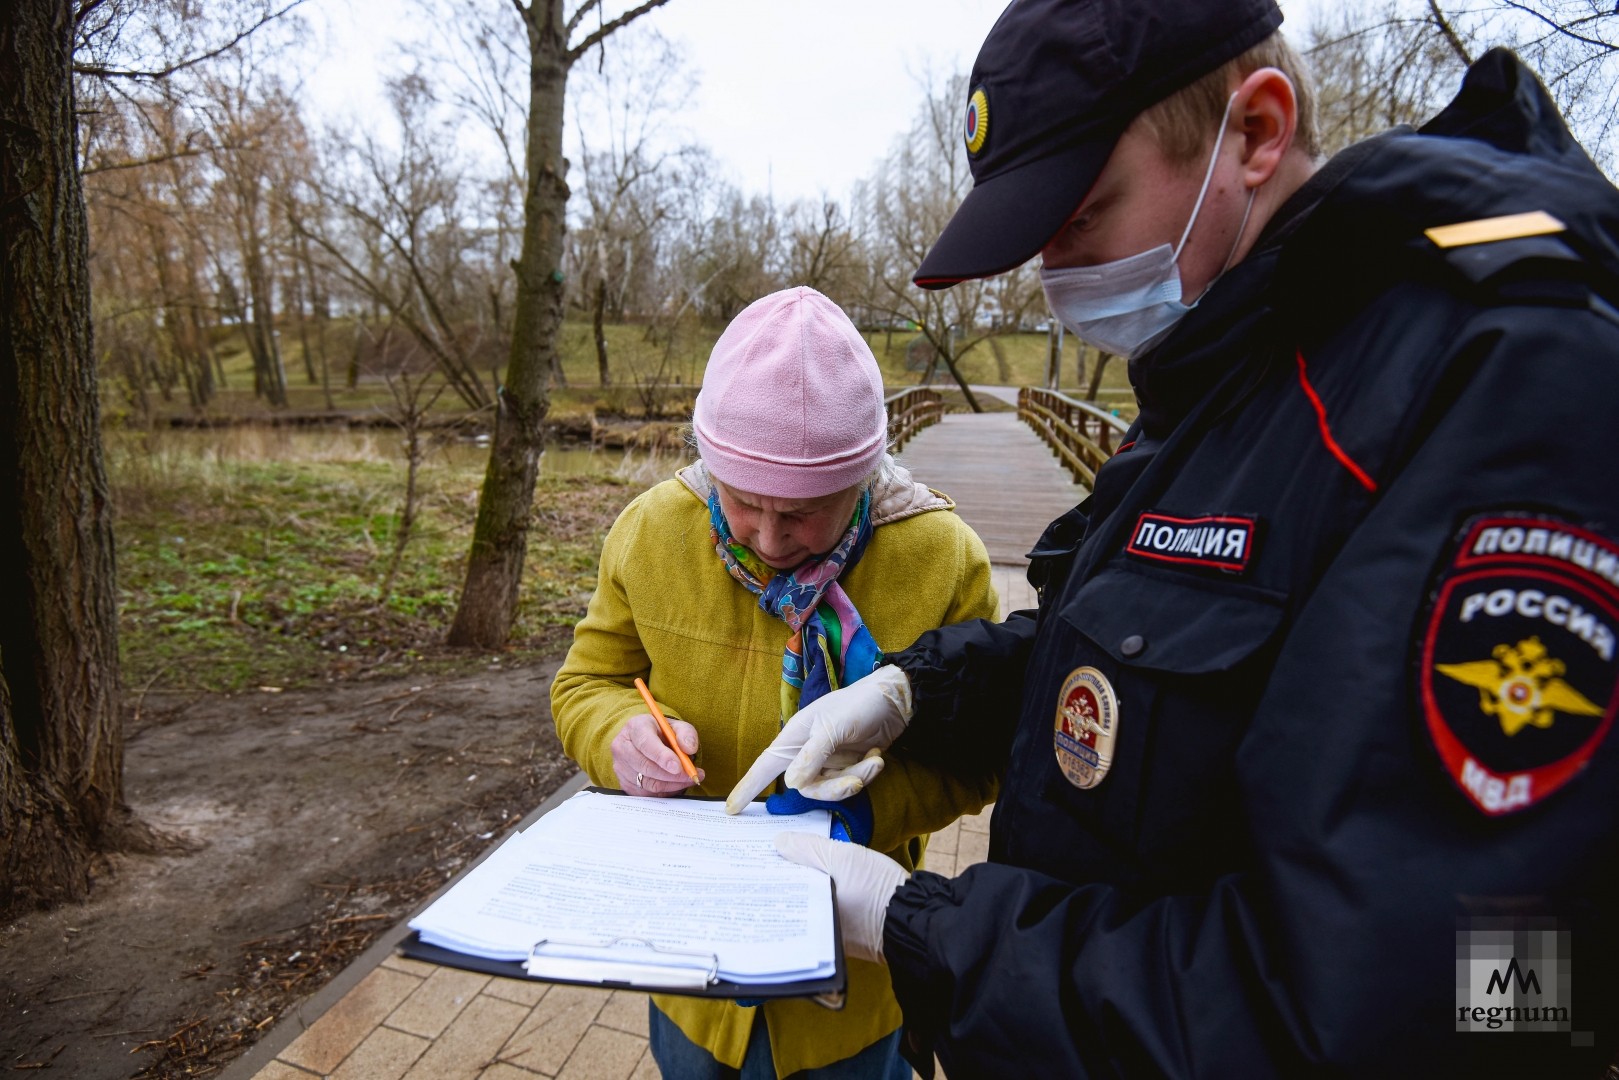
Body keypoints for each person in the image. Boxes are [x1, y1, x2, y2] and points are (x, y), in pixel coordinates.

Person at [727, 1, 1619, 1075]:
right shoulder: (1238, 355)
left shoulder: (1508, 384)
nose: (1057, 283)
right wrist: (919, 694)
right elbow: (1133, 669)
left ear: (1252, 133)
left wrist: (924, 935)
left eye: (1083, 216)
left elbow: (1445, 1000)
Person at [550, 285, 1000, 1079]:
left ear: (862, 477)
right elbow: (587, 681)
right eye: (742, 502)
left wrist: (856, 818)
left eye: (803, 513)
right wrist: (615, 736)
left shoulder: (941, 556)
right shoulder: (653, 531)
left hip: (855, 980)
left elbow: (979, 756)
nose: (766, 536)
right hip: (691, 971)